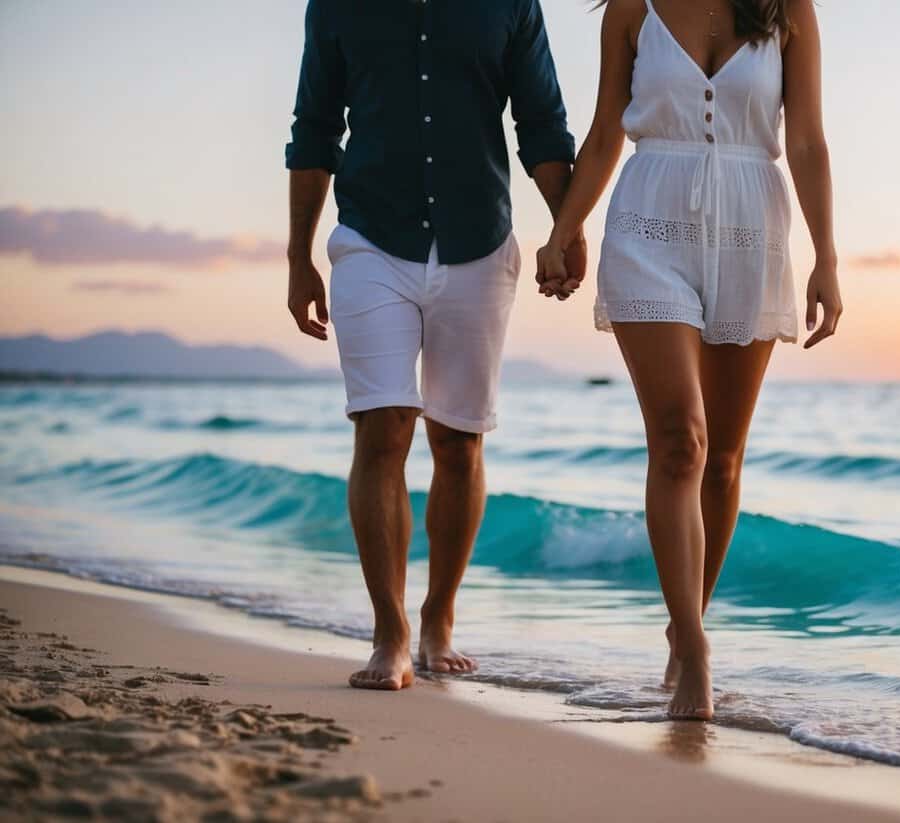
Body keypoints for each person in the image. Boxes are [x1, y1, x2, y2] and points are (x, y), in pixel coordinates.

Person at [536, 0, 841, 719]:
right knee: (682, 440)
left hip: (750, 228)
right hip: (648, 226)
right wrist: (563, 228)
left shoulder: (787, 10)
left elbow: (807, 142)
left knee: (726, 456)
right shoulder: (630, 11)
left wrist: (827, 256)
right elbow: (607, 132)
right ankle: (699, 652)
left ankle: (684, 626)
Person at [285, 0, 585, 691]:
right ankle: (389, 632)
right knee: (383, 428)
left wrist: (564, 226)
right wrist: (299, 256)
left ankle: (438, 619)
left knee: (459, 441)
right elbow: (315, 129)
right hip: (370, 240)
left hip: (478, 242)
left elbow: (541, 121)